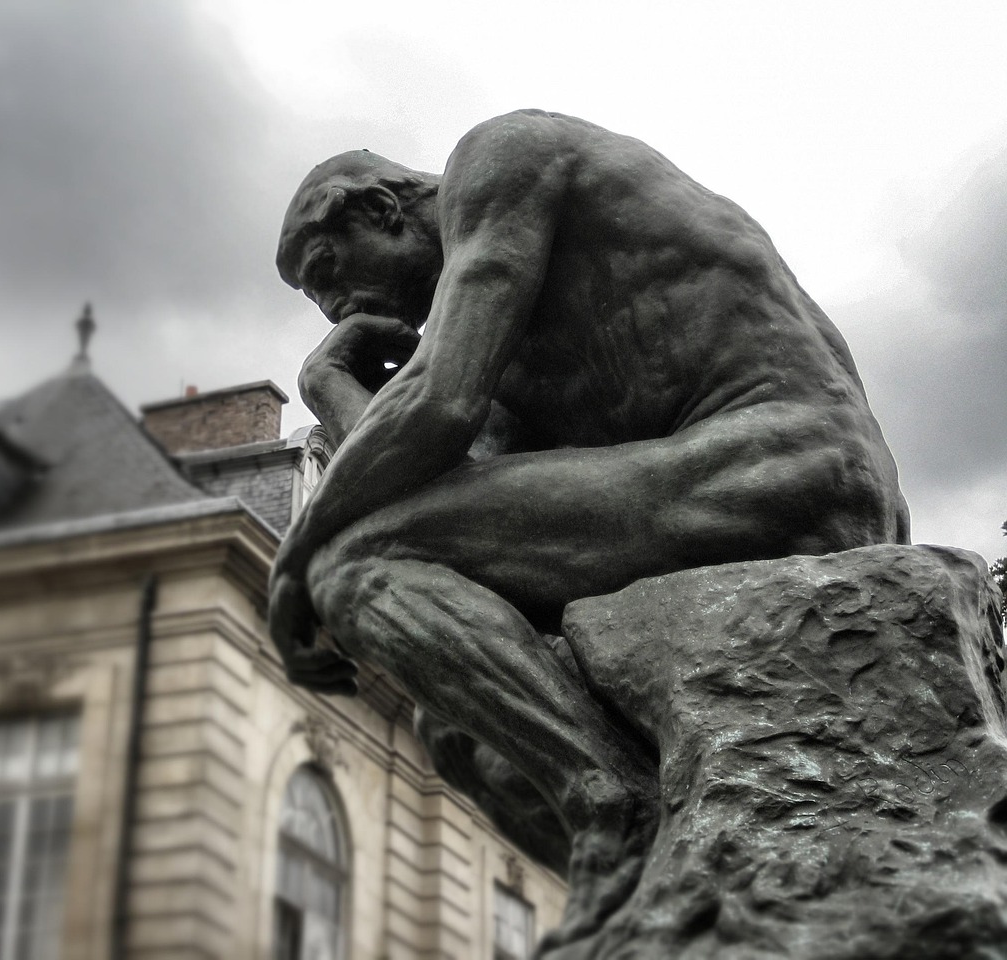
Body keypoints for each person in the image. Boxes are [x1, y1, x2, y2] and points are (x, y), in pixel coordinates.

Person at [270, 109, 909, 934]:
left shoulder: (503, 160)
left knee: (349, 570)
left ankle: (613, 803)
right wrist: (326, 384)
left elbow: (436, 411)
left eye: (329, 271)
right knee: (464, 727)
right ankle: (660, 894)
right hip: (705, 489)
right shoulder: (498, 351)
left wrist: (298, 553)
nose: (335, 308)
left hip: (792, 457)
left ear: (382, 211)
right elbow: (434, 493)